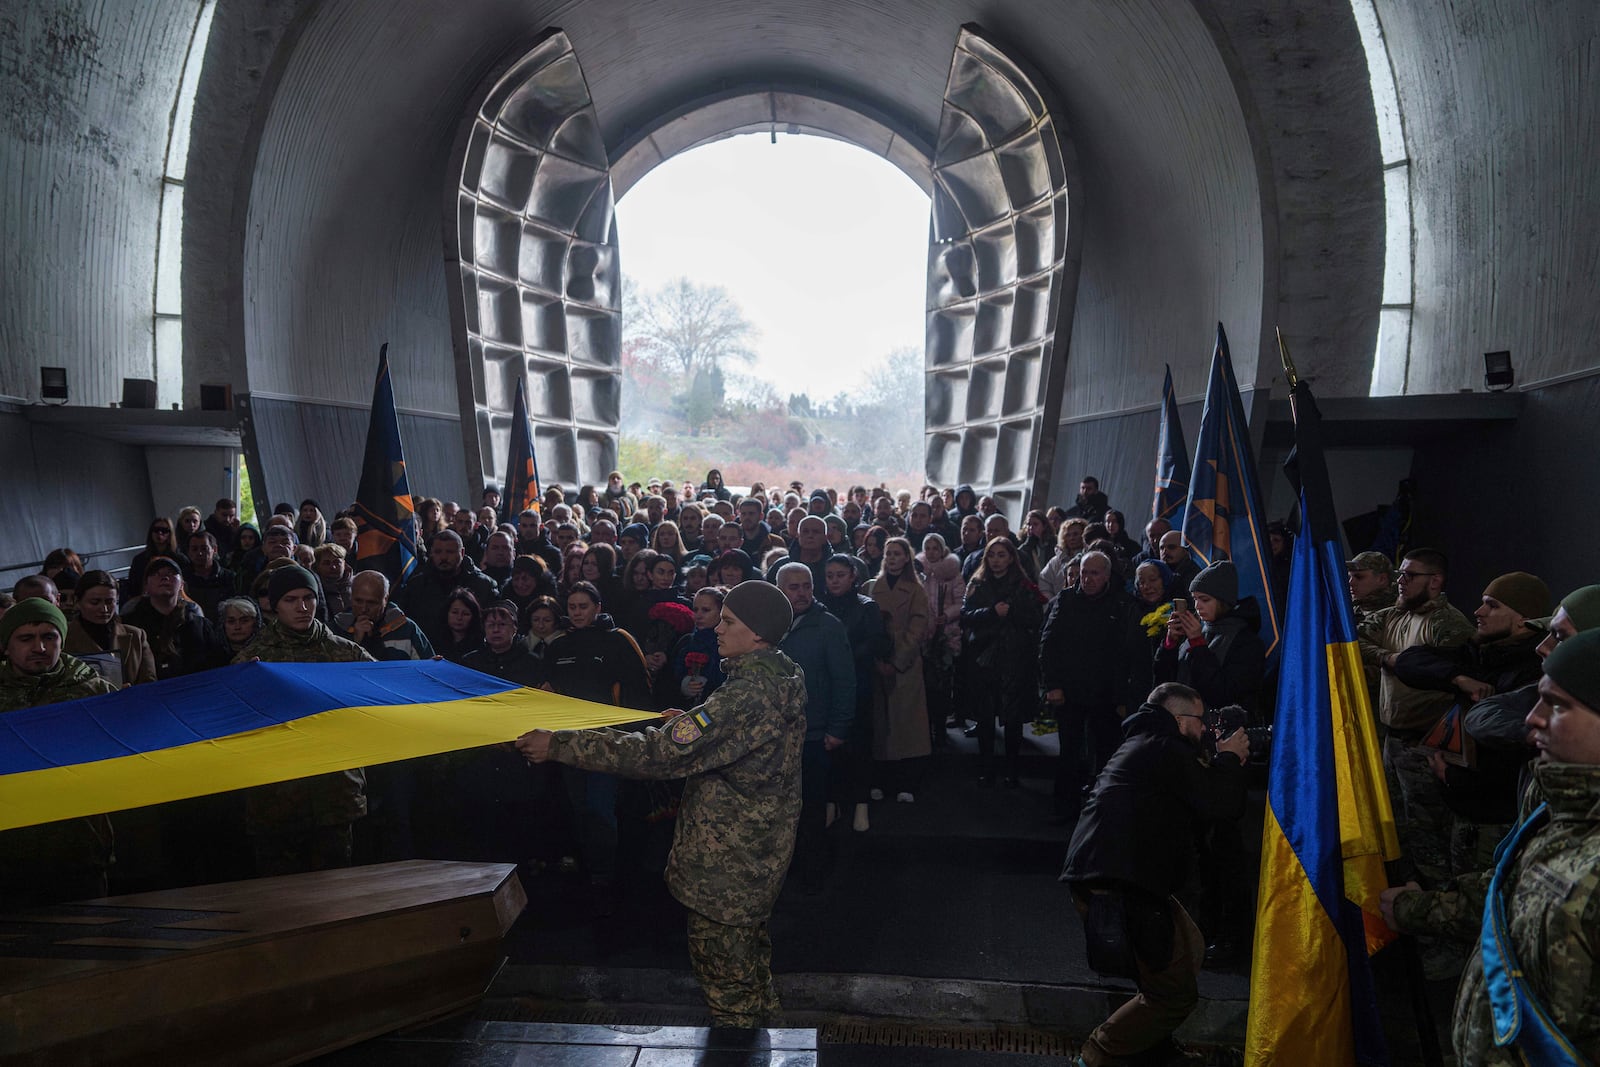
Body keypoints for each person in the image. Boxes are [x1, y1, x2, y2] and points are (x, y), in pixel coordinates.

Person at [517, 579, 806, 1029]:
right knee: (751, 977)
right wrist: (693, 724)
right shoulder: (781, 672)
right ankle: (769, 1043)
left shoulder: (745, 696)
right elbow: (728, 732)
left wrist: (559, 746)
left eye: (728, 622)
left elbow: (656, 754)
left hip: (727, 867)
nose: (716, 630)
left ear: (759, 635)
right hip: (757, 856)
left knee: (730, 994)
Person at [1381, 628, 1600, 1065]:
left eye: (1558, 705)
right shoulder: (1560, 812)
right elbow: (1511, 895)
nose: (1534, 717)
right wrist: (1417, 909)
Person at [1061, 682, 1250, 1067]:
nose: (1206, 729)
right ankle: (1097, 1054)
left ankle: (1150, 1045)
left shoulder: (1146, 743)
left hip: (1112, 878)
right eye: (1201, 721)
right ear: (1180, 721)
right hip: (1121, 886)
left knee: (1184, 951)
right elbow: (1219, 804)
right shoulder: (1167, 749)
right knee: (1173, 993)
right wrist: (1230, 758)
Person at [233, 564, 374, 876]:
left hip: (334, 794)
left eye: (309, 597)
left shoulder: (345, 653)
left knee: (337, 894)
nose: (302, 607)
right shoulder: (254, 659)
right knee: (283, 900)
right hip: (276, 800)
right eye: (291, 599)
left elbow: (383, 692)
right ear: (273, 604)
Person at [1357, 548, 1476, 892]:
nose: (1401, 582)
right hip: (1392, 741)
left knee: (1428, 836)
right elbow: (1357, 638)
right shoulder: (1395, 614)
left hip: (1426, 745)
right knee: (1396, 830)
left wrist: (1394, 661)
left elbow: (1450, 676)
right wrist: (1389, 658)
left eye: (1410, 576)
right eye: (1399, 575)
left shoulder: (1449, 625)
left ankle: (1436, 917)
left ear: (1435, 581)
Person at [0, 598, 120, 906]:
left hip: (79, 843)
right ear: (6, 646)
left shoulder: (94, 691)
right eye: (26, 638)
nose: (39, 647)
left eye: (49, 637)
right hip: (10, 844)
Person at [540, 581, 653, 900]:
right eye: (572, 607)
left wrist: (637, 735)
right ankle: (590, 872)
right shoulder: (558, 645)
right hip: (568, 739)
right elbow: (549, 690)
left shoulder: (618, 640)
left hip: (609, 741)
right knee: (579, 808)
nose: (577, 613)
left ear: (598, 607)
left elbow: (639, 689)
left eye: (583, 606)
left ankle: (608, 875)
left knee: (601, 807)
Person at [1039, 551, 1142, 819]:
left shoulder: (1122, 604)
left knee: (1106, 754)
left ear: (1107, 576)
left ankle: (1101, 811)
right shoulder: (1067, 599)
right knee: (1069, 753)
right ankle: (1064, 809)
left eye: (1094, 573)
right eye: (1084, 572)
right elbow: (1049, 644)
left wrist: (1121, 698)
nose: (1087, 578)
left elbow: (1126, 655)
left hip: (1105, 694)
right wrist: (1053, 684)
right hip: (1070, 691)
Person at [775, 561, 855, 894]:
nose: (802, 592)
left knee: (811, 808)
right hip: (774, 737)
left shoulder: (828, 627)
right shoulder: (768, 625)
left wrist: (838, 727)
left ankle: (812, 874)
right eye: (793, 587)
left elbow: (844, 680)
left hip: (814, 735)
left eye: (806, 585)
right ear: (778, 588)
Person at [960, 536, 1045, 786]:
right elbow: (965, 616)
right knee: (985, 718)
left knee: (1013, 718)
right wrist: (990, 613)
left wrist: (1012, 612)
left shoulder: (1023, 585)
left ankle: (1012, 769)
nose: (996, 560)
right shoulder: (977, 583)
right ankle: (987, 767)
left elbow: (1035, 618)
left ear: (1010, 558)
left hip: (1014, 659)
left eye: (1001, 555)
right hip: (984, 658)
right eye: (992, 555)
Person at [1153, 560, 1267, 716]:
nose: (1198, 606)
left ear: (1223, 601)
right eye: (1195, 599)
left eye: (1205, 600)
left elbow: (1223, 694)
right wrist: (1170, 643)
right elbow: (1166, 683)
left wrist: (1198, 646)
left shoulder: (1246, 642)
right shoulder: (1197, 630)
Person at [869, 537, 930, 802]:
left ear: (907, 558)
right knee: (881, 727)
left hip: (905, 666)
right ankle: (882, 781)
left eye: (897, 553)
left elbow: (918, 628)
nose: (892, 558)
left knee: (907, 727)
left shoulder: (916, 590)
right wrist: (876, 658)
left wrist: (896, 660)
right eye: (888, 553)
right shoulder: (872, 587)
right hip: (877, 663)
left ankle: (908, 783)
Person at [394, 529, 499, 650]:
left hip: (471, 656)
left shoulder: (483, 585)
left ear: (462, 552)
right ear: (431, 553)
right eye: (438, 552)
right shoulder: (416, 586)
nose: (443, 557)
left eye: (450, 552)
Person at [122, 555, 222, 678]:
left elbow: (218, 662)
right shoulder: (130, 626)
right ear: (146, 586)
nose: (164, 577)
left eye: (171, 573)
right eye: (156, 574)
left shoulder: (200, 625)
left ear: (182, 585)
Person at [64, 569, 157, 686]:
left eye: (109, 602)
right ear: (77, 602)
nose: (104, 609)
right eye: (95, 602)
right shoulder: (64, 638)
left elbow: (149, 681)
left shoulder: (136, 635)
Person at [918, 533, 965, 746]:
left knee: (942, 684)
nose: (931, 552)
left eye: (935, 548)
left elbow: (961, 600)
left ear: (942, 549)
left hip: (946, 633)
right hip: (925, 635)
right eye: (927, 548)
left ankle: (940, 725)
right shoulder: (919, 572)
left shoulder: (951, 573)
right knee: (925, 684)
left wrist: (946, 615)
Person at [335, 571, 434, 661]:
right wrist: (355, 642)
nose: (364, 609)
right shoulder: (336, 629)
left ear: (385, 599)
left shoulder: (406, 629)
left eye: (372, 603)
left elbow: (428, 668)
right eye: (358, 601)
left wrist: (433, 664)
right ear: (350, 597)